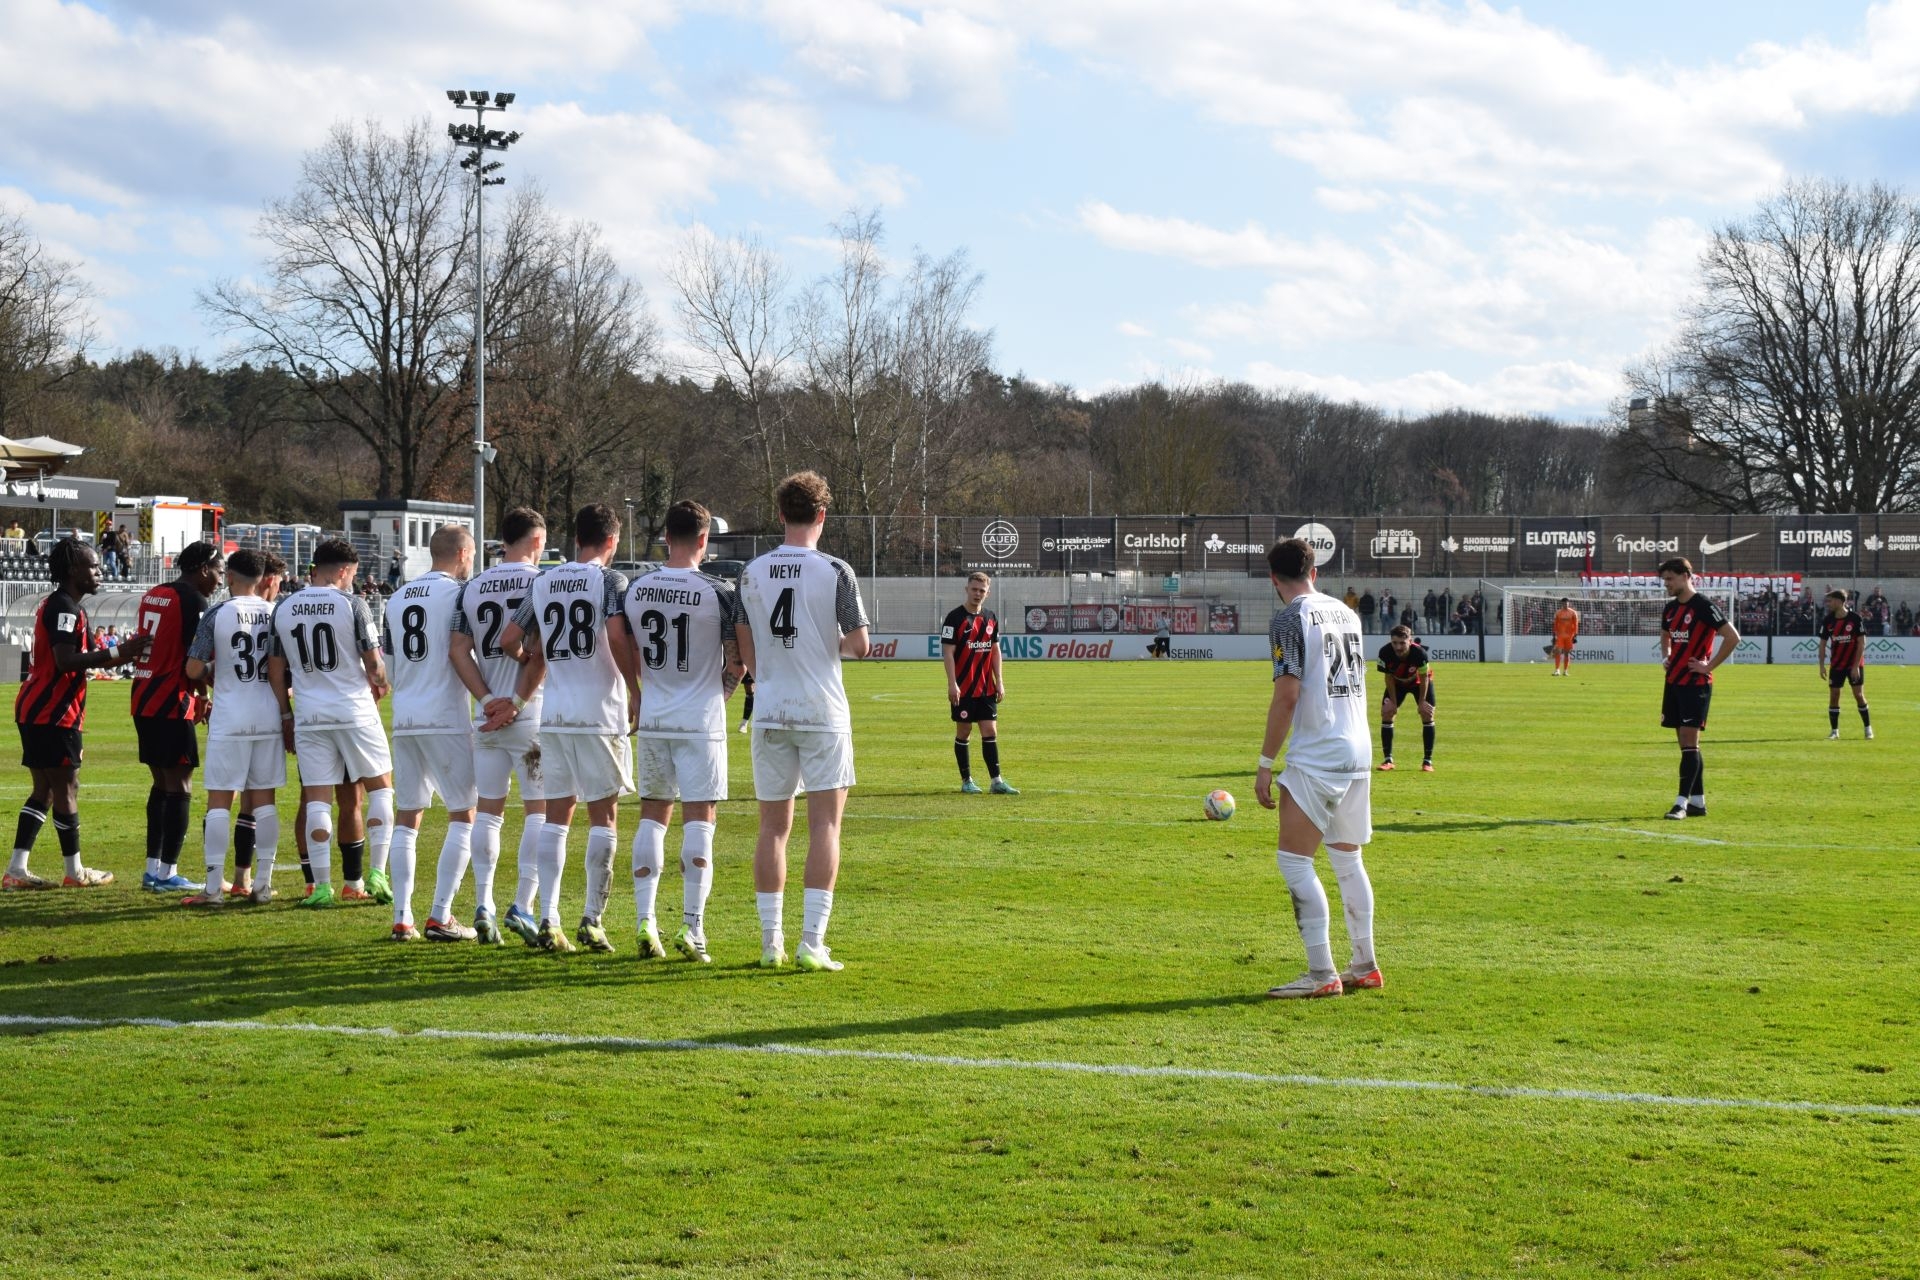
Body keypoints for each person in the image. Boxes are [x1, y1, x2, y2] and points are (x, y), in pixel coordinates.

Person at [739, 470, 870, 973]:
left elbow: (746, 646)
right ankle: (811, 943)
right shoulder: (836, 570)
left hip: (772, 707)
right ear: (822, 515)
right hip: (821, 710)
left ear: (779, 515)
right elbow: (859, 645)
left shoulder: (751, 571)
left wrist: (768, 671)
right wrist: (823, 644)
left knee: (772, 829)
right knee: (825, 827)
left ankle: (770, 943)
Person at [500, 503, 636, 954]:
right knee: (604, 818)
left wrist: (536, 662)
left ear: (576, 536)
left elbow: (509, 640)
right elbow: (616, 637)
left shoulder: (543, 580)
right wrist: (635, 688)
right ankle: (592, 920)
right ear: (611, 541)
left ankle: (548, 918)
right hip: (599, 715)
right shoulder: (610, 580)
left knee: (556, 818)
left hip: (554, 715)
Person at [1254, 537, 1380, 999]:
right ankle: (1364, 963)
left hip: (1319, 753)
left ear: (1273, 579)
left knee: (1293, 862)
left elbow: (1287, 696)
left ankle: (1321, 972)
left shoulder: (1289, 618)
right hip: (1358, 749)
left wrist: (1266, 764)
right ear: (1315, 572)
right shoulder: (1348, 613)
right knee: (1348, 860)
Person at [622, 500, 746, 963]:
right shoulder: (718, 591)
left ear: (665, 538)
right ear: (703, 540)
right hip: (701, 720)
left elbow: (624, 643)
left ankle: (643, 922)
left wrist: (639, 690)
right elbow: (736, 661)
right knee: (700, 820)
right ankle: (692, 927)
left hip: (654, 716)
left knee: (652, 816)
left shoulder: (636, 589)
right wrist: (723, 692)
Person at [6, 539, 151, 890]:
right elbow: (65, 661)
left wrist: (121, 654)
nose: (99, 572)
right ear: (73, 570)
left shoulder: (60, 604)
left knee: (45, 790)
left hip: (38, 708)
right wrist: (119, 651)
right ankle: (75, 872)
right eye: (93, 566)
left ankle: (16, 870)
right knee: (66, 786)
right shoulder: (65, 608)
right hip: (53, 712)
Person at [268, 538, 395, 906]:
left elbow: (276, 671)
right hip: (354, 710)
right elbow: (373, 663)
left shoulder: (285, 607)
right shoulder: (352, 604)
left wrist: (287, 714)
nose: (353, 582)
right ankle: (376, 874)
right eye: (352, 575)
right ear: (342, 571)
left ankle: (321, 886)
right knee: (380, 789)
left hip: (310, 714)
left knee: (318, 801)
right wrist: (382, 682)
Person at [449, 507, 548, 947]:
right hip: (531, 711)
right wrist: (515, 703)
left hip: (487, 717)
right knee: (539, 812)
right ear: (538, 541)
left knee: (488, 812)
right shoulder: (540, 583)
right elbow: (539, 650)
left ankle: (483, 904)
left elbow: (457, 650)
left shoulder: (471, 586)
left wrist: (489, 701)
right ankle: (522, 905)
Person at [384, 524, 481, 943]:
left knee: (408, 817)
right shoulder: (460, 593)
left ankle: (402, 917)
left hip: (405, 714)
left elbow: (388, 664)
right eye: (473, 554)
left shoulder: (397, 596)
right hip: (444, 713)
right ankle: (440, 914)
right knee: (465, 813)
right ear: (462, 554)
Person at [181, 549, 283, 906]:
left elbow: (194, 669)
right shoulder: (276, 614)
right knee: (265, 802)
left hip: (230, 716)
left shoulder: (217, 613)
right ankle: (263, 885)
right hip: (268, 714)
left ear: (229, 577)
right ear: (262, 579)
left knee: (220, 802)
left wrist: (213, 671)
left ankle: (213, 889)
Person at [130, 541, 224, 895]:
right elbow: (194, 660)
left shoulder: (155, 593)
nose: (218, 581)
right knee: (180, 784)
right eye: (216, 572)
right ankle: (168, 873)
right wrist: (207, 690)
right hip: (170, 700)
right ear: (202, 568)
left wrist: (201, 694)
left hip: (143, 697)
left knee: (161, 785)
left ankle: (153, 868)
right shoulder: (193, 601)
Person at [1657, 557, 1739, 821]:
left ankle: (1680, 803)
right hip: (1673, 683)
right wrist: (1666, 655)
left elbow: (1732, 636)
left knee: (1690, 743)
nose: (1666, 584)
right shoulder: (1670, 609)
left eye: (1670, 578)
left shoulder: (1703, 606)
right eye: (1664, 579)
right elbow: (1666, 635)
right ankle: (1698, 803)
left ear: (1685, 576)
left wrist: (1709, 665)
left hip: (1696, 685)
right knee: (1686, 745)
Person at [943, 570, 1016, 795]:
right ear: (967, 589)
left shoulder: (991, 617)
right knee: (964, 731)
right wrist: (952, 683)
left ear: (987, 593)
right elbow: (947, 652)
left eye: (982, 591)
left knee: (990, 730)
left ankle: (996, 781)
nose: (977, 593)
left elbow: (995, 651)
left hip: (986, 687)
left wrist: (1000, 681)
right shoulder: (954, 618)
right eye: (974, 589)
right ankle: (967, 781)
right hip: (963, 688)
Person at [1375, 625, 1435, 773]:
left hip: (1419, 683)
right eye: (1395, 643)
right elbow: (1388, 678)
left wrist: (1421, 702)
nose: (1398, 647)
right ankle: (1388, 760)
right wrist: (1393, 703)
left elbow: (1424, 677)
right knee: (1387, 713)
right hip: (1397, 683)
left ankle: (1427, 762)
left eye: (1402, 643)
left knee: (1427, 713)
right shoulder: (1385, 652)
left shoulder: (1419, 653)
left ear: (1410, 641)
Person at [1816, 589, 1872, 741]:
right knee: (1834, 696)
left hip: (1854, 664)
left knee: (1858, 695)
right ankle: (1834, 731)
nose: (1829, 603)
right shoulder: (1828, 620)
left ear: (1840, 602)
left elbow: (1862, 643)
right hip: (1837, 665)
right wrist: (1821, 665)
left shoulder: (1855, 618)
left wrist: (1855, 667)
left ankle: (1868, 728)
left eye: (1831, 600)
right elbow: (1822, 644)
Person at [1550, 597, 1580, 676]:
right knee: (1558, 652)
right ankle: (1557, 670)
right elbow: (1555, 625)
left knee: (1567, 654)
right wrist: (1554, 635)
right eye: (1564, 603)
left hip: (1569, 636)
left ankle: (1565, 671)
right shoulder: (1558, 613)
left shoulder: (1573, 613)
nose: (1565, 604)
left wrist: (1575, 635)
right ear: (1562, 604)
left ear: (1568, 603)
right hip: (1560, 635)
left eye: (1567, 603)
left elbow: (1576, 624)